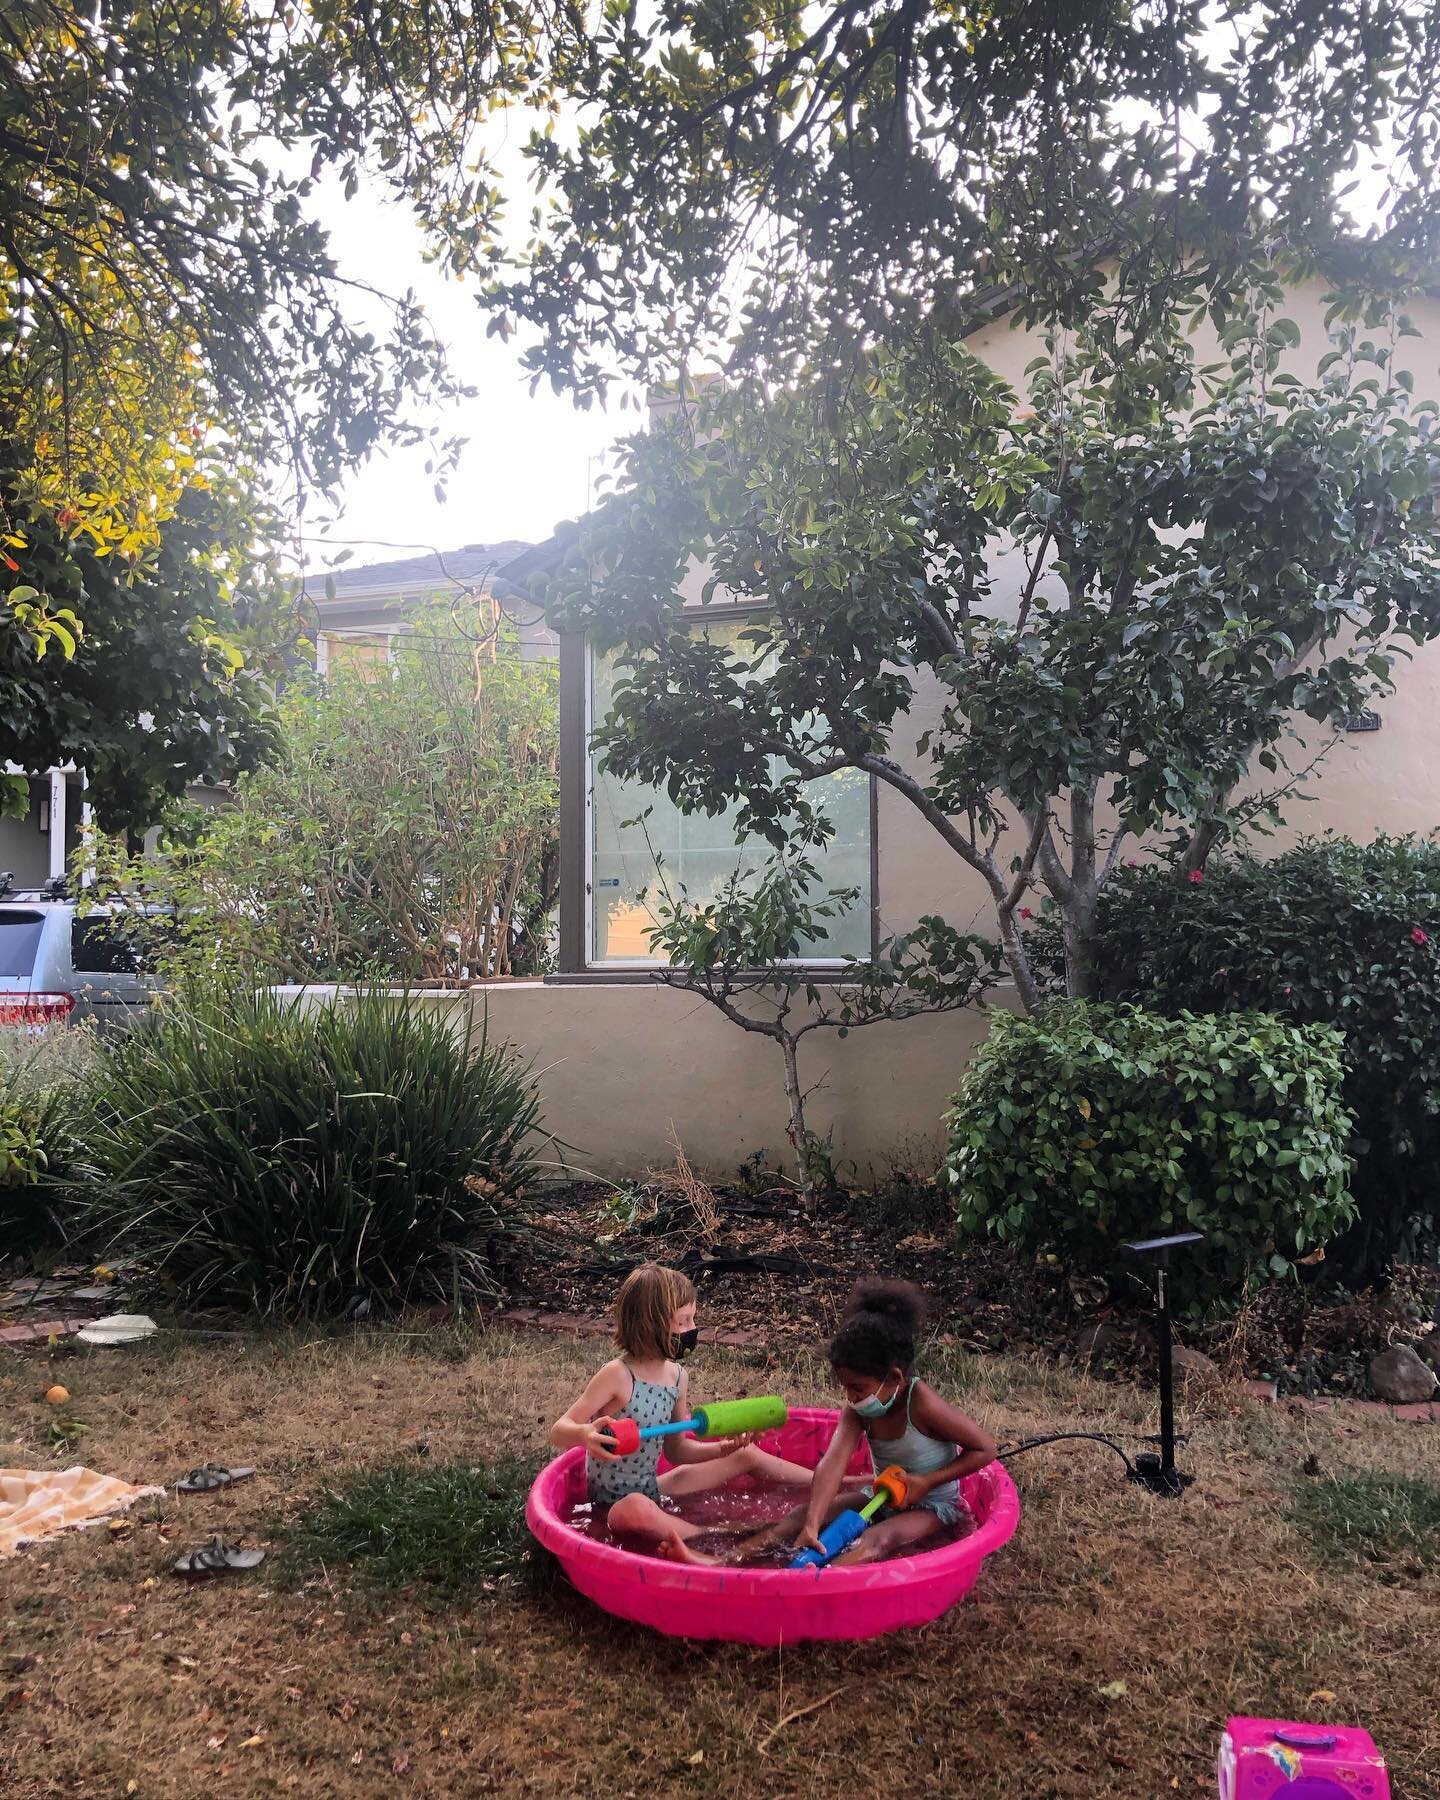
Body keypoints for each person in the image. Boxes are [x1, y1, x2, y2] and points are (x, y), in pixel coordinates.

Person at [662, 1277, 995, 1567]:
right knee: (799, 1516)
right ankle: (720, 1563)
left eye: (858, 1387)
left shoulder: (921, 1403)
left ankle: (820, 1580)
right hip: (880, 1494)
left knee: (879, 1539)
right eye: (845, 1387)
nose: (850, 1397)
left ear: (894, 1377)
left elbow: (984, 1449)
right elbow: (833, 1463)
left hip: (931, 1506)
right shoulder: (860, 1409)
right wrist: (813, 1521)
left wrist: (927, 1482)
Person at [549, 1261, 814, 1548]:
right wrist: (585, 1435)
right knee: (635, 1508)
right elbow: (559, 1430)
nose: (693, 1329)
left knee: (747, 1455)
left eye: (693, 1319)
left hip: (651, 1488)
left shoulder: (677, 1377)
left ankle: (836, 1484)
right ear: (652, 1324)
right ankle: (724, 1538)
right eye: (684, 1321)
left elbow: (676, 1450)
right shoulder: (618, 1375)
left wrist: (723, 1449)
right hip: (615, 1506)